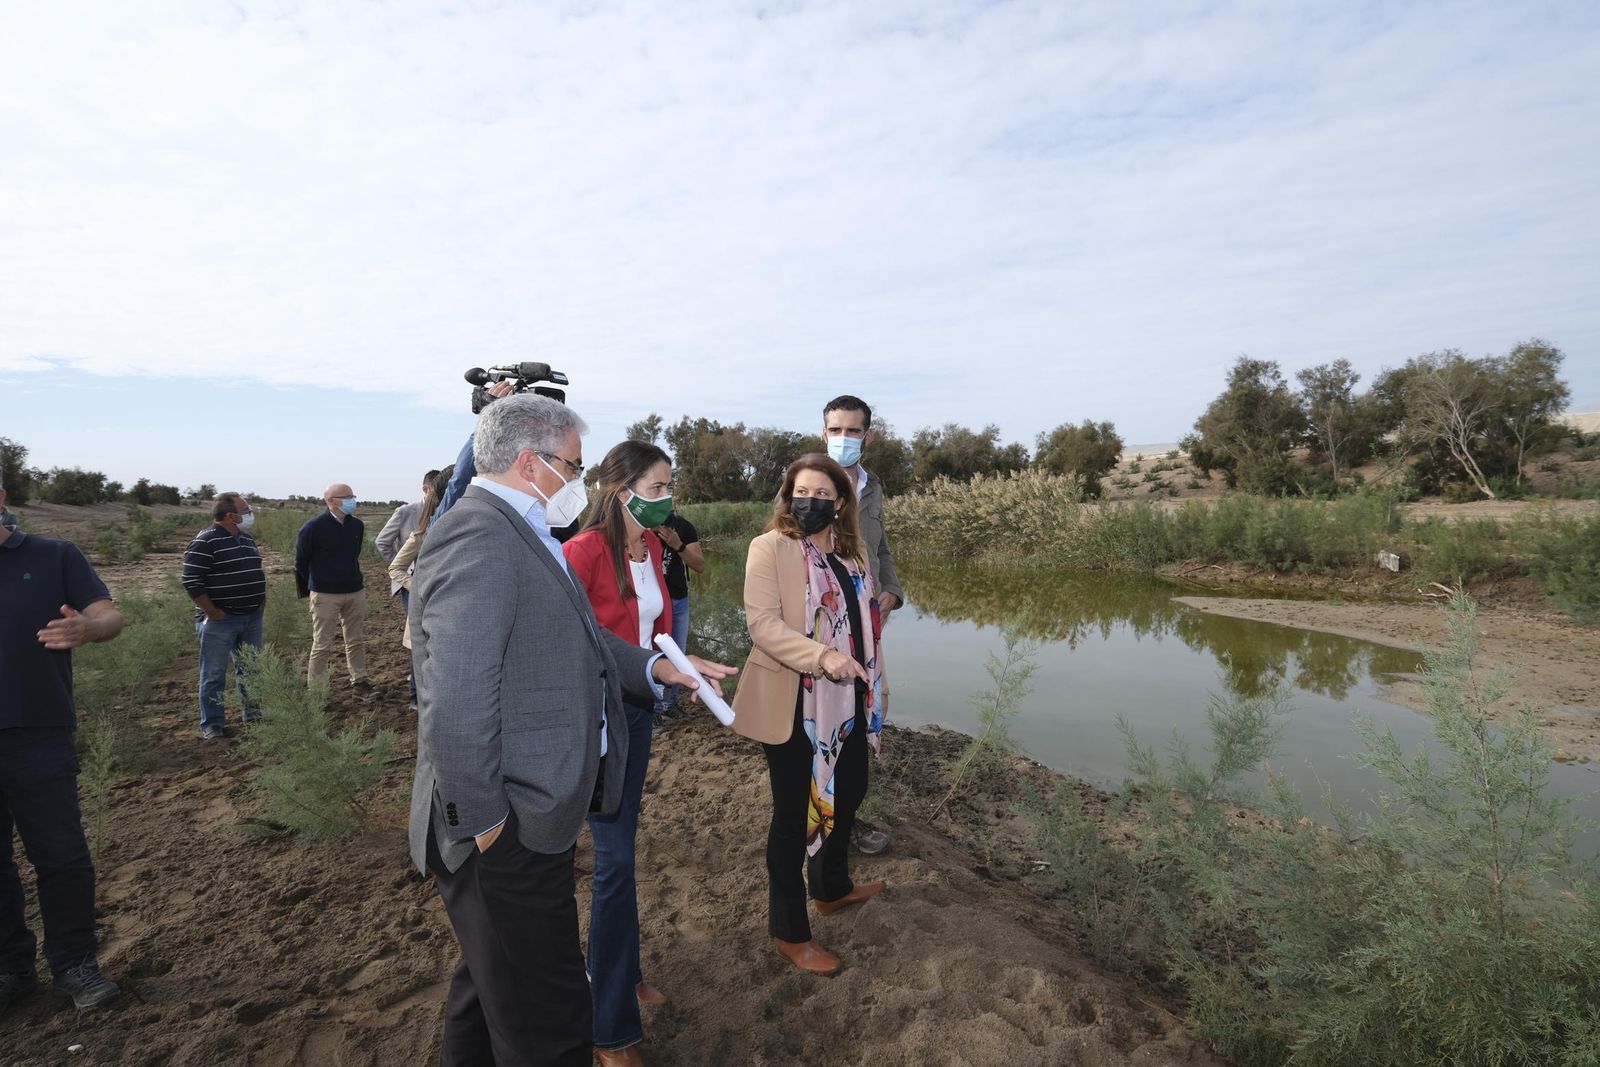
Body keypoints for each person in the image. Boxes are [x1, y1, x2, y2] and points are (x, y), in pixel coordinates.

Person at [407, 395, 733, 1067]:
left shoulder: (528, 533)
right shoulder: (481, 534)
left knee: (488, 990)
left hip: (523, 823)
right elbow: (456, 699)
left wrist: (655, 667)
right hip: (506, 831)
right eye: (575, 467)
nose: (582, 484)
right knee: (548, 1023)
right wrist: (489, 827)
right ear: (531, 462)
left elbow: (578, 640)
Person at [732, 454, 886, 977]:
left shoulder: (854, 552)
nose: (811, 502)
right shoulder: (770, 548)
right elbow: (765, 627)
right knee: (794, 815)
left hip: (849, 698)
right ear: (788, 495)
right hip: (796, 700)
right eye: (802, 491)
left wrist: (872, 678)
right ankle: (790, 933)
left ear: (840, 502)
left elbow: (864, 623)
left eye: (823, 494)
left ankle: (832, 888)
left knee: (851, 790)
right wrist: (824, 658)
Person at [561, 441, 675, 1065]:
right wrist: (655, 667)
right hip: (597, 723)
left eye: (667, 488)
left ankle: (623, 973)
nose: (665, 500)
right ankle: (609, 1029)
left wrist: (680, 667)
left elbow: (652, 630)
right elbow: (582, 643)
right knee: (613, 862)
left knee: (623, 849)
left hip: (640, 712)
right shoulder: (578, 554)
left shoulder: (651, 546)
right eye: (656, 489)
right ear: (619, 488)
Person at [0, 485, 125, 1014]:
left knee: (61, 855)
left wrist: (89, 628)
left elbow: (109, 616)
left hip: (38, 730)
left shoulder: (53, 555)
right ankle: (11, 969)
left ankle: (74, 965)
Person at [821, 394, 903, 856]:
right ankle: (825, 820)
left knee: (873, 708)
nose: (844, 439)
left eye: (853, 431)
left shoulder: (872, 487)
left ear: (867, 436)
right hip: (826, 627)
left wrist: (891, 590)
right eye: (836, 430)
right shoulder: (808, 482)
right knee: (829, 719)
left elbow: (882, 547)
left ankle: (847, 815)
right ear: (823, 433)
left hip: (871, 622)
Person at [181, 492, 268, 739]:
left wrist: (261, 598)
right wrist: (211, 610)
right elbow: (191, 580)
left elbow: (255, 570)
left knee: (251, 668)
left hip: (251, 616)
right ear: (230, 515)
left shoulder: (246, 539)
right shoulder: (205, 541)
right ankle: (213, 725)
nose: (250, 513)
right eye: (246, 510)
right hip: (221, 620)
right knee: (214, 674)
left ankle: (253, 713)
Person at [294, 483, 375, 700]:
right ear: (331, 501)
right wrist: (319, 582)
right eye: (347, 497)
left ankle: (360, 681)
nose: (352, 500)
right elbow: (301, 562)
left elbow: (353, 555)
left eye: (352, 496)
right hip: (325, 594)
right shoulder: (313, 527)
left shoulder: (356, 525)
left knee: (356, 639)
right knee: (322, 643)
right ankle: (317, 692)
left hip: (354, 591)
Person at [387, 470, 451, 708]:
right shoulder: (423, 535)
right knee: (422, 656)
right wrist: (420, 587)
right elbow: (396, 568)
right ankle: (417, 698)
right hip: (429, 609)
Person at [652, 508, 703, 720]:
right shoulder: (639, 525)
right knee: (651, 653)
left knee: (677, 653)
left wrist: (677, 544)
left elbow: (699, 564)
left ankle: (669, 704)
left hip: (677, 599)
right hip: (651, 601)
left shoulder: (683, 526)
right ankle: (653, 710)